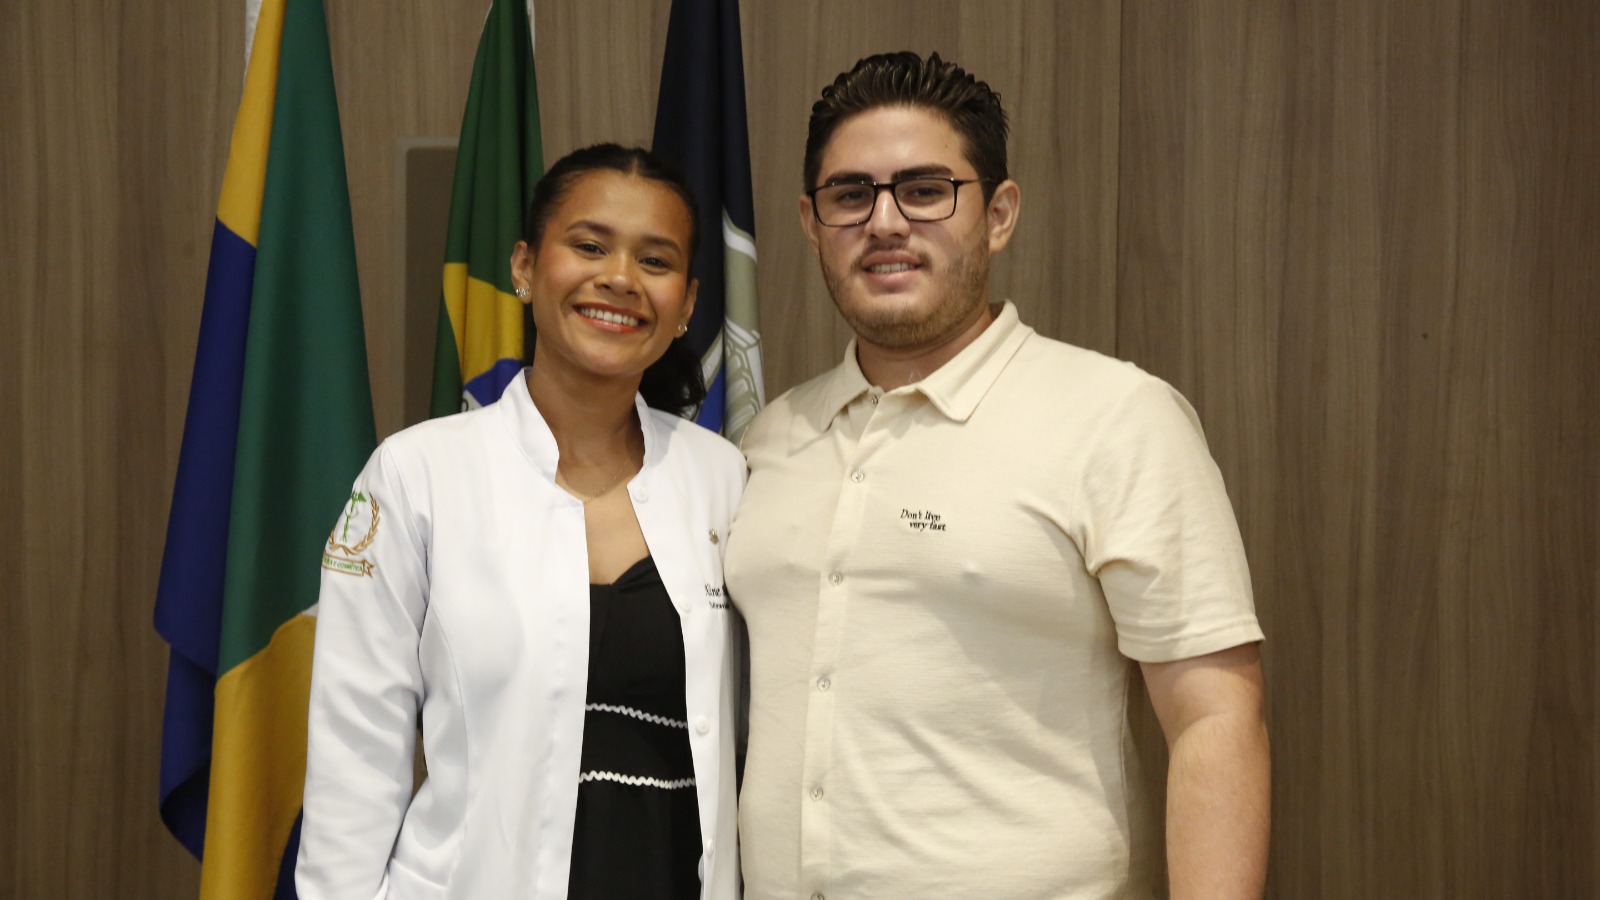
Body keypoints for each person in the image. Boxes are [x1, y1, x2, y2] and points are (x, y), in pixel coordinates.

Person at [724, 52, 1270, 898]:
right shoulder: (769, 440)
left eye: (925, 189)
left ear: (1000, 214)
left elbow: (1214, 717)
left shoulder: (1117, 417)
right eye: (851, 195)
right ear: (811, 221)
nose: (885, 222)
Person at [297, 144, 743, 899]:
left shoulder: (724, 480)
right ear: (525, 266)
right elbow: (354, 754)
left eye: (655, 261)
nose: (621, 278)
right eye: (590, 246)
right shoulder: (416, 475)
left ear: (687, 305)